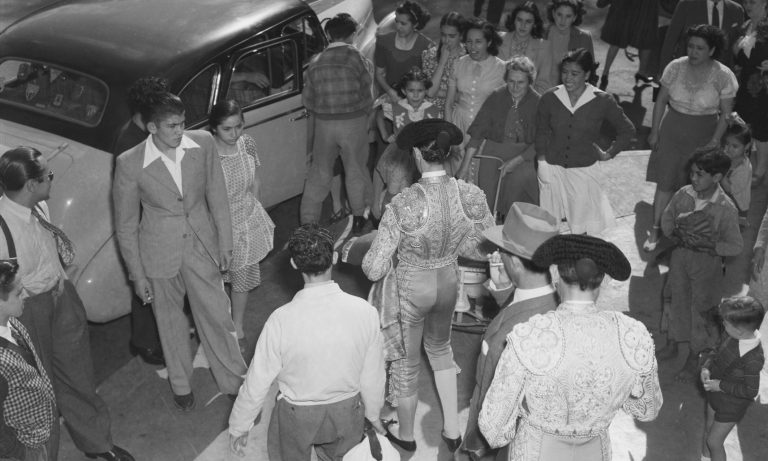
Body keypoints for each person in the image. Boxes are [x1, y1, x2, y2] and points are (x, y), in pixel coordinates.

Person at [361, 119, 495, 453]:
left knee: (407, 364)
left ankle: (406, 436)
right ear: (446, 154)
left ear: (418, 155)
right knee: (441, 349)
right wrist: (452, 245)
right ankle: (452, 430)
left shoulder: (404, 203)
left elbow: (373, 269)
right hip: (448, 283)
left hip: (411, 287)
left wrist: (372, 249)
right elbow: (483, 248)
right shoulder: (470, 194)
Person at [113, 92, 247, 411]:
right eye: (172, 126)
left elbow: (217, 195)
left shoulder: (203, 143)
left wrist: (225, 243)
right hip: (158, 253)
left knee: (218, 316)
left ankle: (234, 380)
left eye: (183, 123)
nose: (180, 131)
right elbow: (126, 226)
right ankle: (181, 385)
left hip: (202, 246)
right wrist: (137, 276)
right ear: (152, 127)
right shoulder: (129, 162)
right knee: (170, 323)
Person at [0, 147, 134, 461]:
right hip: (27, 310)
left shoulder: (39, 207)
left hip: (61, 296)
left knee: (78, 373)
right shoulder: (2, 228)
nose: (52, 178)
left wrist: (64, 281)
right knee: (40, 389)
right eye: (48, 175)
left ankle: (97, 442)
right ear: (30, 185)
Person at [479, 234, 663, 460]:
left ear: (556, 274)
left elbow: (494, 429)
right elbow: (647, 409)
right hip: (596, 452)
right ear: (604, 280)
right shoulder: (632, 334)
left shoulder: (530, 335)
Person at [228, 224, 385, 460]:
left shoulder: (280, 320)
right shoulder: (365, 312)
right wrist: (373, 413)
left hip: (296, 415)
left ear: (294, 263)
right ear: (333, 258)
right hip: (347, 410)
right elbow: (373, 374)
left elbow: (257, 379)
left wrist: (240, 425)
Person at [462, 203, 560, 461]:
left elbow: (495, 400)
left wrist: (476, 445)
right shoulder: (552, 300)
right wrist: (503, 289)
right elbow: (520, 309)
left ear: (515, 262)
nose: (497, 255)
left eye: (502, 251)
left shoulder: (516, 334)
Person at [644, 25, 739, 251]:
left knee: (695, 185)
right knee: (665, 182)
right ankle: (656, 229)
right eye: (690, 46)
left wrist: (714, 141)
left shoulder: (723, 75)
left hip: (703, 134)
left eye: (700, 48)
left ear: (712, 50)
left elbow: (726, 114)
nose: (693, 52)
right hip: (672, 130)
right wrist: (654, 131)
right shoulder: (674, 67)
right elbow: (661, 101)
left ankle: (686, 233)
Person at [658, 148, 743, 381]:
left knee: (701, 311)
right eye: (692, 173)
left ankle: (694, 357)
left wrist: (710, 245)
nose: (693, 178)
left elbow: (735, 246)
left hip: (707, 266)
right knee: (675, 300)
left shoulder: (726, 208)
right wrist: (675, 233)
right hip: (679, 257)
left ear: (717, 177)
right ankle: (673, 343)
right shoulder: (683, 194)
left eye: (699, 174)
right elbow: (667, 218)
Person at [536, 48, 635, 235]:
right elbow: (541, 130)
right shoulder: (550, 97)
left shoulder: (602, 100)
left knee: (581, 226)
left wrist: (609, 153)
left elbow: (627, 130)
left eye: (575, 74)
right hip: (552, 169)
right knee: (549, 225)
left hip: (583, 171)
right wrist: (541, 161)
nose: (568, 78)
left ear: (587, 74)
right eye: (565, 72)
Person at [208, 100, 275, 350]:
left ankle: (237, 325)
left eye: (239, 126)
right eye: (227, 129)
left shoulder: (247, 143)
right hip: (218, 226)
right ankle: (216, 326)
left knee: (242, 278)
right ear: (214, 128)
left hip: (246, 222)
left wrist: (255, 207)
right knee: (215, 282)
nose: (234, 133)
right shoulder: (208, 155)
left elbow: (256, 179)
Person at [300, 13, 374, 234]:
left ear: (329, 35)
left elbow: (308, 101)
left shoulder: (315, 62)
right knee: (356, 169)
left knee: (319, 173)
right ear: (353, 34)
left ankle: (308, 223)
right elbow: (367, 94)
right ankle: (359, 216)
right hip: (353, 122)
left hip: (324, 125)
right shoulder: (357, 58)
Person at [113, 76, 169, 367]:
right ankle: (145, 341)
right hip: (145, 226)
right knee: (147, 286)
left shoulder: (139, 132)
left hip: (155, 221)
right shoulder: (131, 146)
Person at [465, 56, 541, 214]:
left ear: (530, 82)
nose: (515, 87)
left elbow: (542, 140)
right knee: (487, 195)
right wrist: (464, 167)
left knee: (518, 184)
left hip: (525, 155)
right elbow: (478, 133)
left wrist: (517, 160)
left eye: (521, 82)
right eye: (511, 81)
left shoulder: (538, 102)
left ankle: (513, 222)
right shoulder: (496, 96)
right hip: (494, 150)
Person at [0, 260, 57, 461]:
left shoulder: (12, 322)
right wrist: (18, 453)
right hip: (23, 448)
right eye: (18, 293)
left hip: (40, 431)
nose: (25, 295)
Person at [700, 296, 764, 461]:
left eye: (726, 323)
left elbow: (751, 391)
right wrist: (706, 367)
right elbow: (716, 350)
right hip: (715, 395)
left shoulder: (753, 358)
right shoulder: (730, 335)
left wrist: (720, 385)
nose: (723, 324)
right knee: (708, 430)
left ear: (739, 331)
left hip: (731, 405)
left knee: (714, 442)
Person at [373, 69, 440, 219]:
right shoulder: (397, 107)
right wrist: (385, 135)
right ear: (404, 91)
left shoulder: (433, 110)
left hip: (423, 156)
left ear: (426, 91)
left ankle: (417, 223)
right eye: (411, 91)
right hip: (400, 155)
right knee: (395, 190)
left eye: (420, 91)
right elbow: (379, 114)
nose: (415, 95)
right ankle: (388, 223)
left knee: (421, 193)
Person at [445, 18, 506, 180]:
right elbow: (449, 103)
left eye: (478, 42)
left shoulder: (502, 68)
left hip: (486, 129)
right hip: (459, 124)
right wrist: (451, 135)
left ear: (489, 42)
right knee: (457, 175)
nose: (472, 47)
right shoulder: (458, 64)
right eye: (469, 42)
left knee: (481, 175)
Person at [733, 0, 768, 184]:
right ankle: (742, 167)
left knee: (761, 129)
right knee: (742, 125)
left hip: (763, 86)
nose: (748, 5)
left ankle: (761, 169)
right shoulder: (743, 27)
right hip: (744, 85)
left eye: (753, 2)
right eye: (746, 1)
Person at [659, 0, 745, 72]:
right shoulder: (686, 5)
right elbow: (670, 42)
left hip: (722, 77)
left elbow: (738, 47)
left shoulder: (736, 10)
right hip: (687, 73)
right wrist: (665, 73)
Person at [374, 1, 433, 101]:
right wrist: (391, 92)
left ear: (415, 24)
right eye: (396, 21)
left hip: (416, 100)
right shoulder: (383, 42)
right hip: (389, 97)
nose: (398, 26)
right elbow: (379, 74)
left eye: (403, 23)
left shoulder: (427, 47)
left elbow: (428, 82)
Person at [596, 0, 659, 91]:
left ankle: (605, 74)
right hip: (645, 8)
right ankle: (641, 74)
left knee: (617, 40)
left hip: (625, 7)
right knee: (646, 39)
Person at [538, 0, 594, 92]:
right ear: (553, 13)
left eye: (568, 16)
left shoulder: (584, 37)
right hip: (540, 90)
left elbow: (590, 72)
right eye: (559, 14)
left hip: (570, 92)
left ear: (574, 17)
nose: (562, 20)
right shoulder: (541, 33)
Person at [497, 1, 551, 94]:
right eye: (519, 20)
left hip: (528, 99)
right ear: (514, 20)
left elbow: (543, 84)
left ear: (535, 24)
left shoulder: (544, 47)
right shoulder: (499, 40)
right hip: (498, 96)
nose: (523, 25)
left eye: (528, 21)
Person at [421, 11, 467, 115]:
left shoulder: (467, 56)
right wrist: (442, 62)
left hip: (458, 113)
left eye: (451, 36)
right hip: (432, 112)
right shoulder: (430, 54)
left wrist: (441, 93)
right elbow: (431, 92)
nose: (446, 40)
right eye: (443, 35)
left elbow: (466, 96)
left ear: (461, 35)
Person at [720, 115, 753, 226]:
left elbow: (730, 189)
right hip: (726, 203)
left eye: (735, 146)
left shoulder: (743, 169)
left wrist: (721, 174)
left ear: (746, 146)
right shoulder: (729, 157)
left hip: (738, 207)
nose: (729, 149)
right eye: (727, 144)